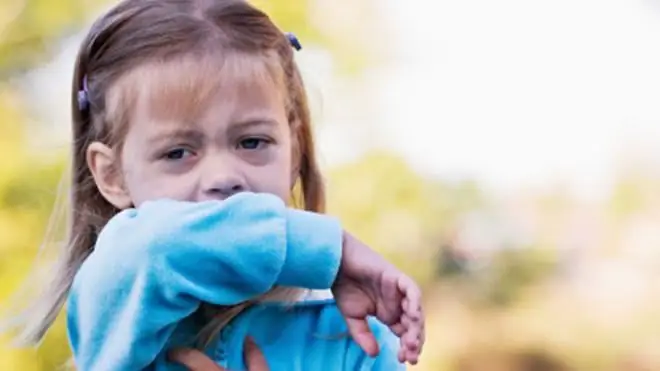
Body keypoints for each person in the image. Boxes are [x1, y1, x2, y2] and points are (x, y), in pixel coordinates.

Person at [4, 0, 425, 370]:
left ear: (293, 151)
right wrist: (332, 250)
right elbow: (155, 246)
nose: (224, 177)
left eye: (252, 142)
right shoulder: (120, 294)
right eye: (177, 152)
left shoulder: (352, 339)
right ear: (112, 176)